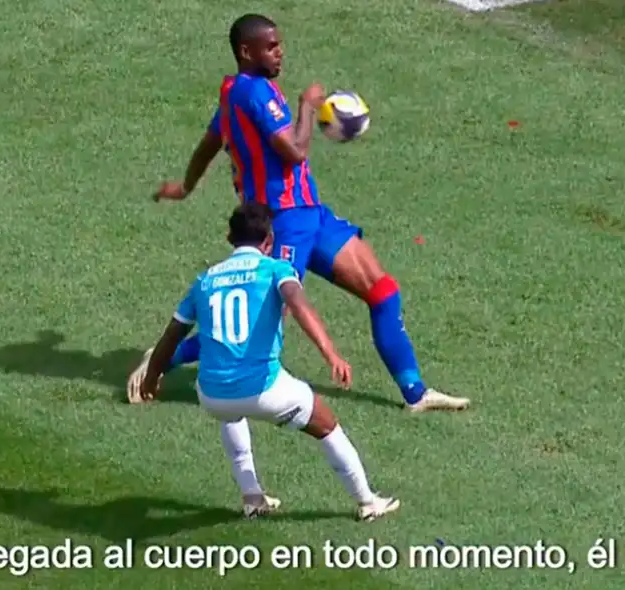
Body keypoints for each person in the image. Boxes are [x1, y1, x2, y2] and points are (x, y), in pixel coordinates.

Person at [136, 13, 467, 412]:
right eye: (271, 46)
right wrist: (308, 108)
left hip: (311, 213)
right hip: (284, 220)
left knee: (382, 289)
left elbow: (210, 141)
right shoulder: (253, 94)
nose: (280, 52)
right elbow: (294, 152)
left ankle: (416, 392)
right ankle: (162, 360)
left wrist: (186, 187)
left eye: (279, 44)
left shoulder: (240, 92)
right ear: (246, 51)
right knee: (262, 318)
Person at [132, 203, 400, 522]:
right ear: (269, 240)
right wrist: (331, 353)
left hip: (212, 395)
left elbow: (171, 335)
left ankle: (252, 497)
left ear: (230, 237)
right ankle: (368, 501)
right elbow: (298, 306)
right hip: (265, 390)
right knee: (326, 425)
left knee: (230, 411)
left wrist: (151, 377)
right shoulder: (276, 270)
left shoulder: (205, 280)